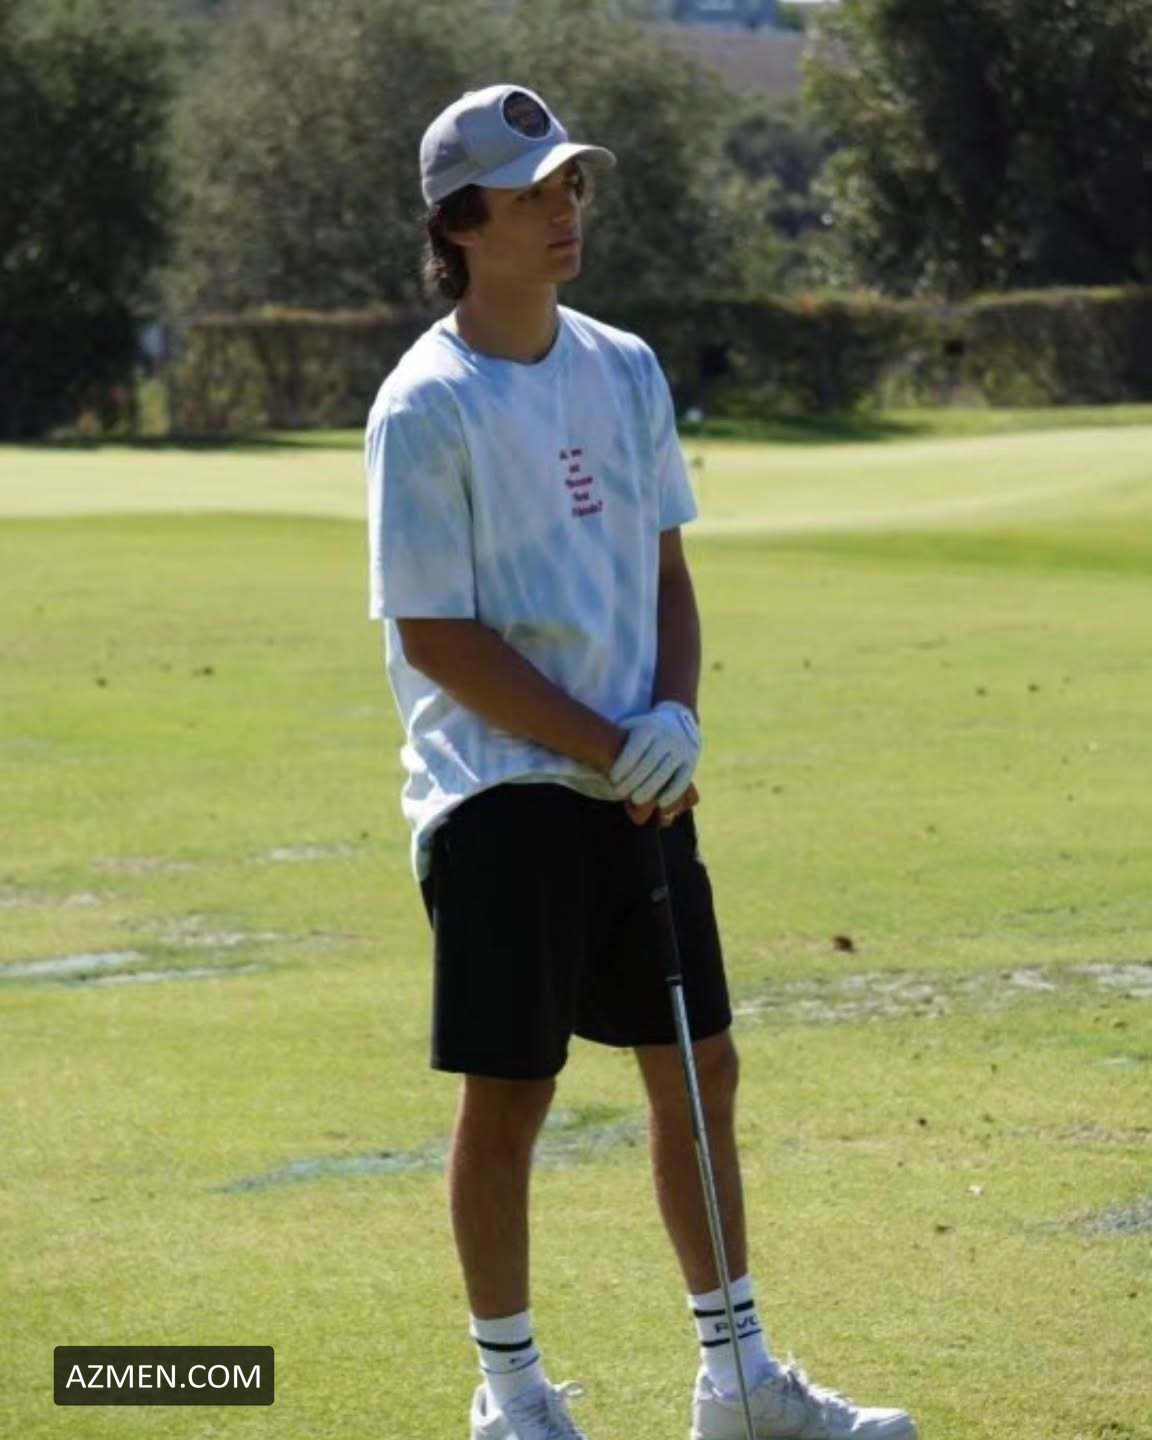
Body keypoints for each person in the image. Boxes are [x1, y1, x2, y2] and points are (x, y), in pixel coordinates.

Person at [365, 83, 918, 1440]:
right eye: (534, 193)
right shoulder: (425, 405)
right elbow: (436, 634)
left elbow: (667, 574)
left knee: (699, 1068)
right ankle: (511, 1398)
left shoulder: (623, 366)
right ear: (461, 223)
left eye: (573, 185)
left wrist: (672, 720)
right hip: (501, 795)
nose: (567, 209)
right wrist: (616, 744)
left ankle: (737, 1383)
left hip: (639, 779)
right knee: (514, 1093)